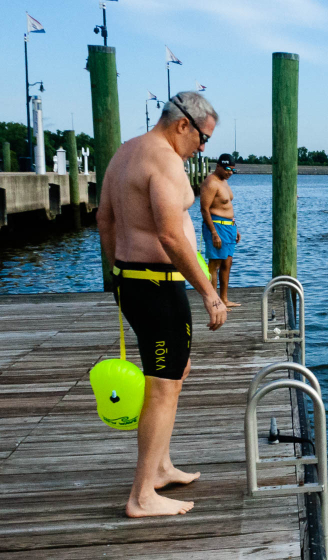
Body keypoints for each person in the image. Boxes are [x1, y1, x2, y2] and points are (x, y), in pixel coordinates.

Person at [96, 91, 227, 518]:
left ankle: (161, 466)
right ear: (182, 124)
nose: (203, 148)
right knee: (163, 384)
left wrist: (117, 275)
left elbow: (105, 220)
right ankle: (141, 496)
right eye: (203, 138)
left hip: (134, 281)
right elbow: (171, 237)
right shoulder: (166, 162)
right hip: (156, 285)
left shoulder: (125, 152)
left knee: (175, 369)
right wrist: (210, 292)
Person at [200, 154, 241, 309]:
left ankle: (223, 299)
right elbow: (204, 210)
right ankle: (213, 302)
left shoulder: (224, 182)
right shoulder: (210, 183)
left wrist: (235, 228)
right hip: (217, 227)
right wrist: (213, 233)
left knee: (227, 264)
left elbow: (227, 207)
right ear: (218, 166)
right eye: (227, 169)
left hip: (229, 227)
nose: (230, 172)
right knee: (214, 265)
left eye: (233, 170)